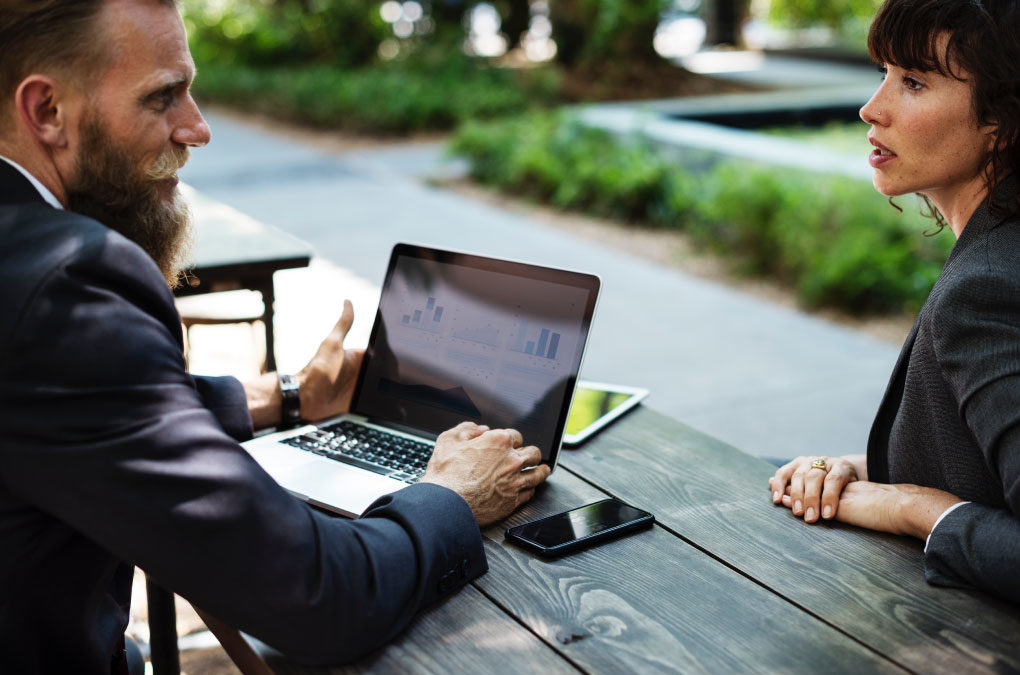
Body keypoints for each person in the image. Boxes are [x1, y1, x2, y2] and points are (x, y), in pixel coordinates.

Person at [0, 0, 551, 672]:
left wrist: (286, 395)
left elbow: (67, 410)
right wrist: (449, 497)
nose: (196, 127)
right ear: (46, 110)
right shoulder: (69, 281)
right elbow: (319, 596)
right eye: (163, 97)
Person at [768, 0, 1020, 605]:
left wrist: (914, 509)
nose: (871, 108)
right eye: (883, 73)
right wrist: (861, 467)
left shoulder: (985, 291)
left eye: (913, 81)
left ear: (1002, 120)